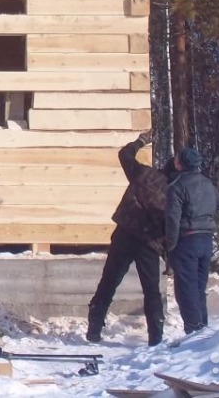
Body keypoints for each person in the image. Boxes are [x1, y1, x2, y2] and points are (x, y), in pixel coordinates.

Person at [86, 130, 168, 346]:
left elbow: (124, 155)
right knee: (151, 290)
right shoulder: (174, 191)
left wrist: (141, 141)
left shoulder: (144, 174)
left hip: (125, 233)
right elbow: (174, 224)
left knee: (108, 282)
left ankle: (94, 329)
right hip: (149, 243)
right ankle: (156, 337)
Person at [164, 146, 219, 336]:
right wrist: (206, 218)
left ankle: (193, 331)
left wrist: (170, 245)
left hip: (186, 240)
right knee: (199, 287)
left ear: (180, 164)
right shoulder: (207, 183)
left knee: (185, 289)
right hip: (206, 240)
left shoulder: (177, 186)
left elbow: (172, 219)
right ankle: (203, 329)